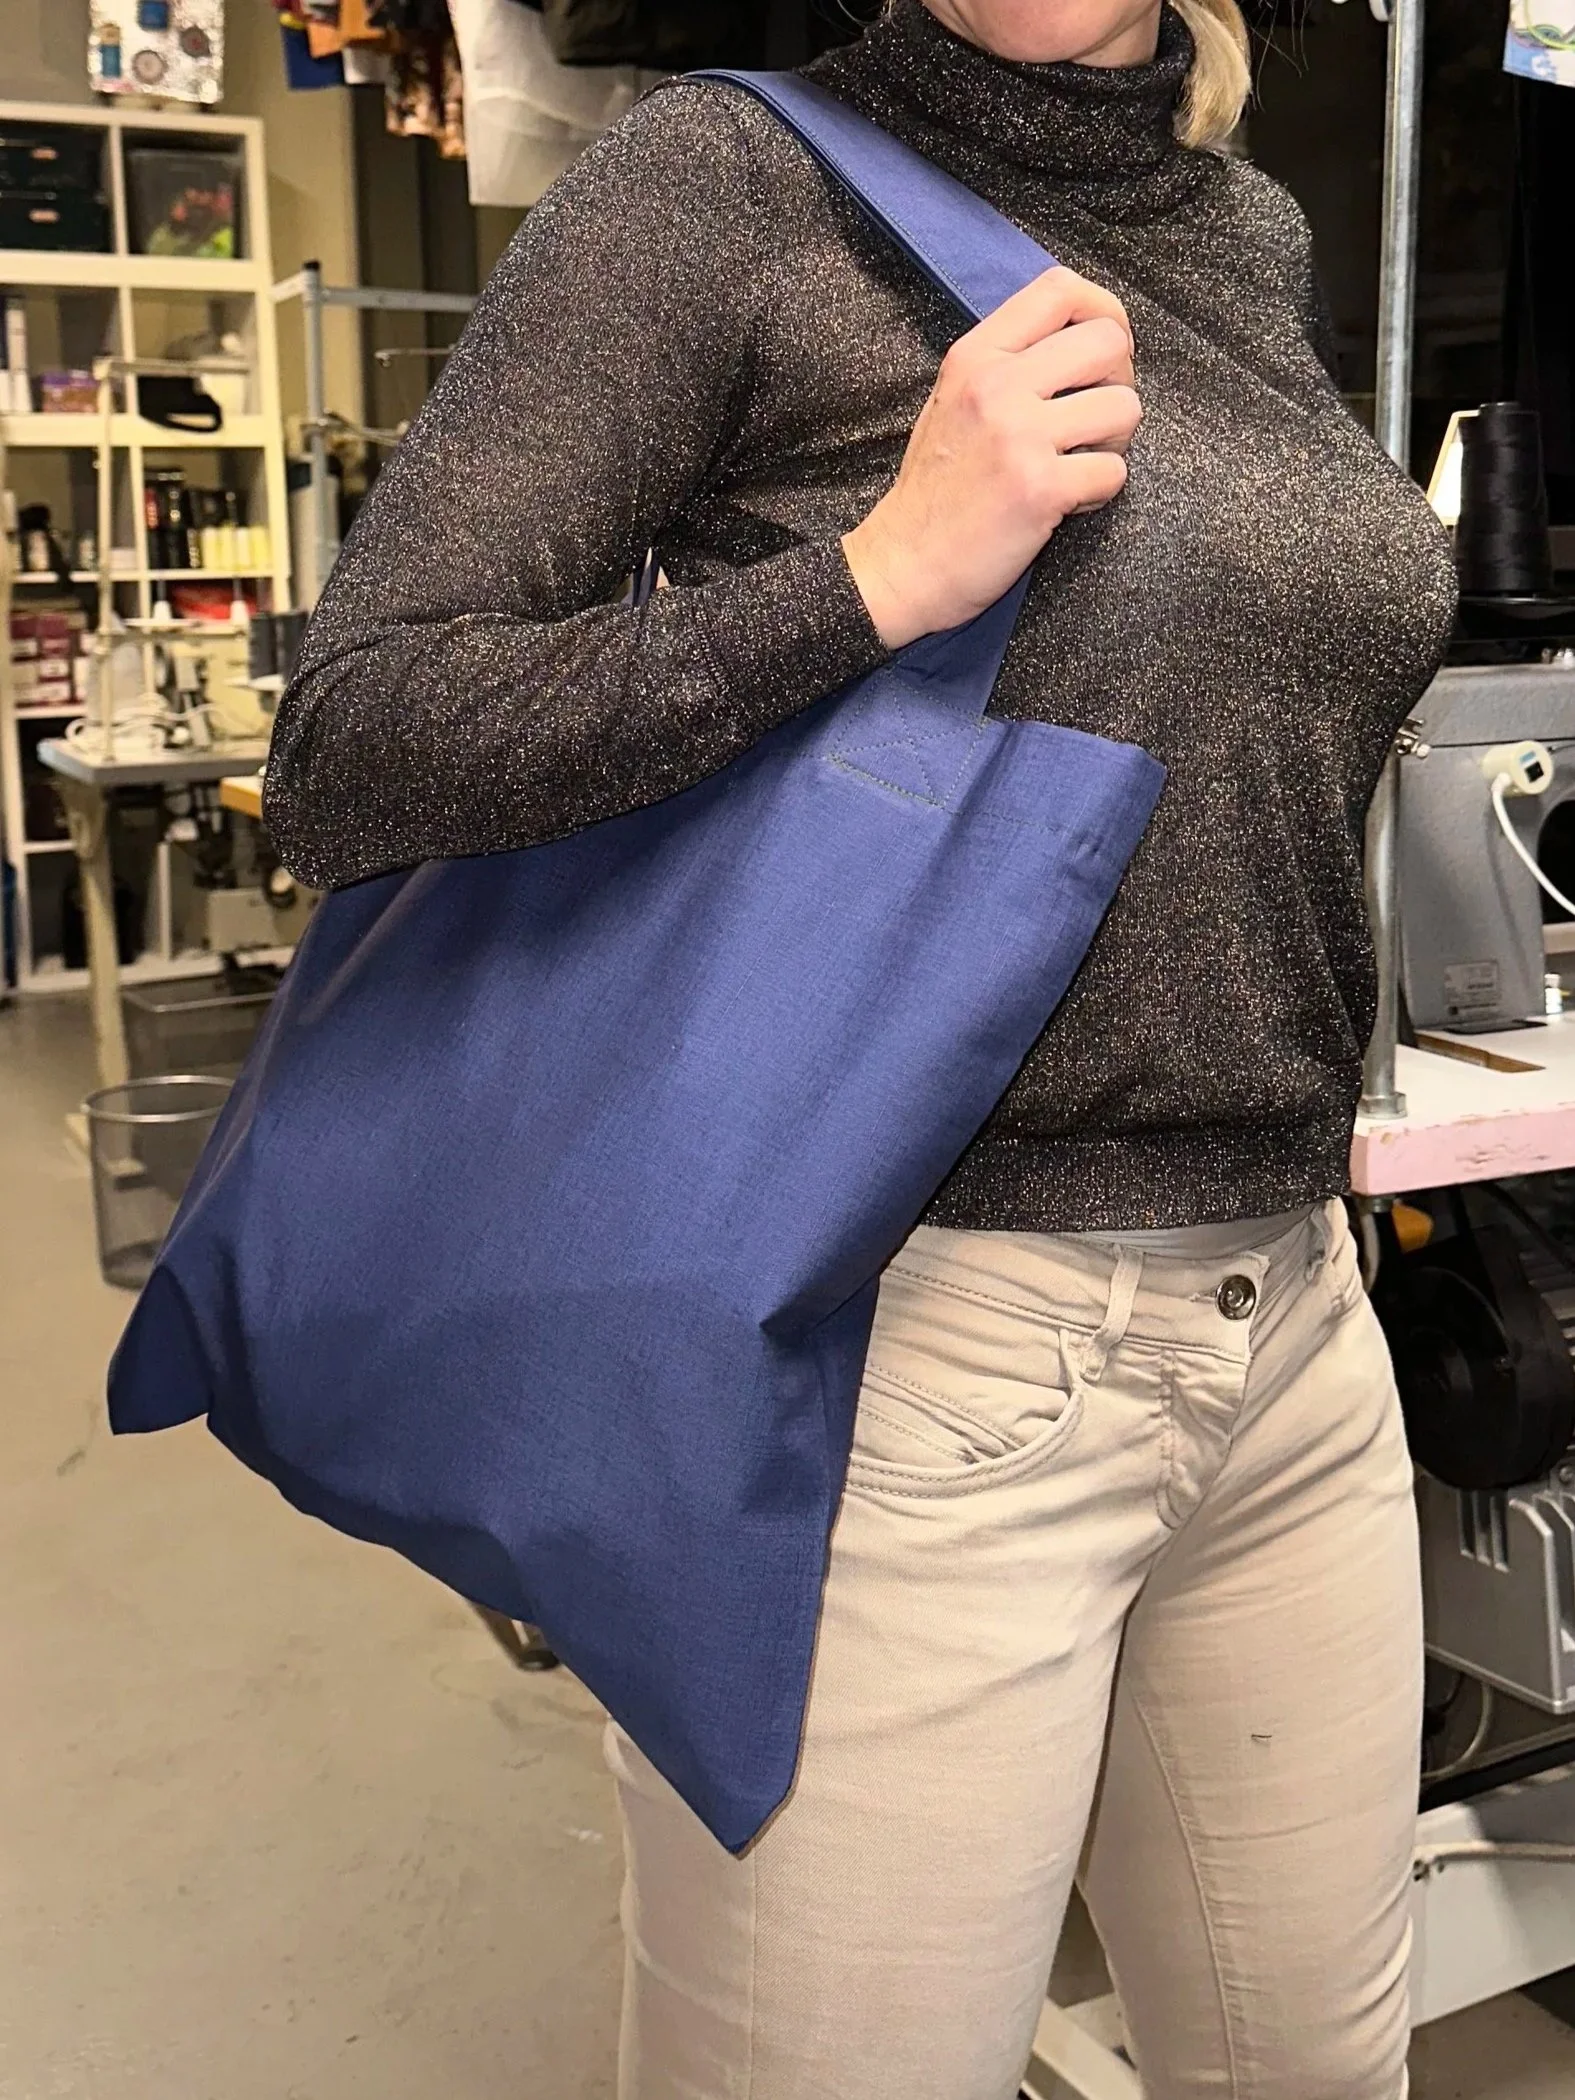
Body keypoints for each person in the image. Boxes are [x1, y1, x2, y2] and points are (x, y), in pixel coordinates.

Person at [264, 0, 1458, 2092]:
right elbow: (354, 746)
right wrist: (875, 579)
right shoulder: (727, 184)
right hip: (916, 1360)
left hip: (1290, 1332)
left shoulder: (1243, 232)